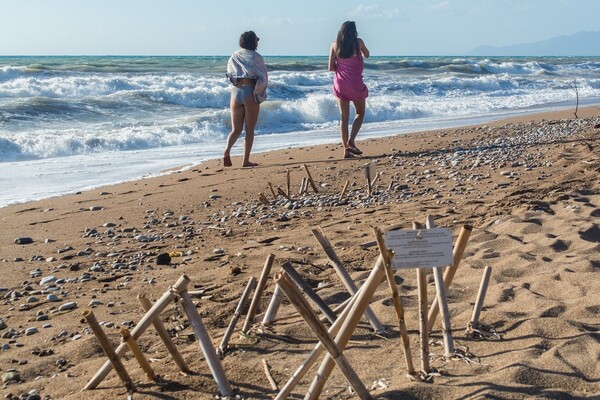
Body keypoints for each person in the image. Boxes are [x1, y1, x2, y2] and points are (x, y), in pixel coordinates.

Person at [223, 30, 268, 167]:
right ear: (253, 42)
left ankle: (226, 151)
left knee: (235, 129)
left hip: (236, 92)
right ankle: (245, 161)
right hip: (250, 91)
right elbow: (263, 78)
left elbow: (229, 74)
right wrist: (258, 93)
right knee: (249, 130)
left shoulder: (234, 56)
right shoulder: (257, 57)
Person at [328, 21, 370, 158]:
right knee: (360, 113)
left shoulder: (335, 45)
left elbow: (331, 67)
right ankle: (351, 141)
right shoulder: (358, 42)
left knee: (343, 118)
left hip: (341, 83)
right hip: (355, 83)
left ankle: (346, 149)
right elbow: (367, 54)